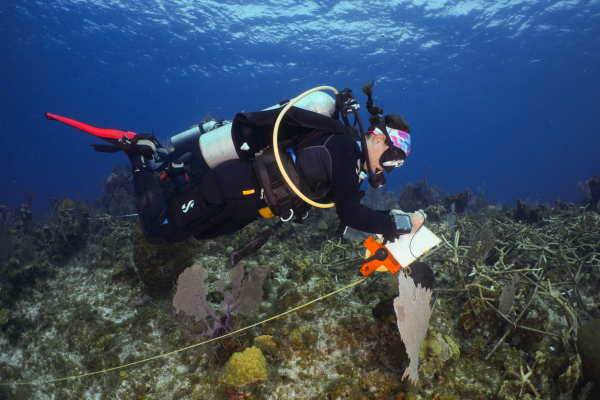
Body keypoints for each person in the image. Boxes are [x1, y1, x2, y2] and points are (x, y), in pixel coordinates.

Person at [47, 82, 425, 250]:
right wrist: (402, 223)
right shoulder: (344, 147)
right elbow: (352, 212)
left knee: (193, 228)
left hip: (248, 204)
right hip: (234, 187)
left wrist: (387, 223)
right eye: (391, 157)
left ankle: (168, 168)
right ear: (377, 138)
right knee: (159, 234)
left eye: (396, 164)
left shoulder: (350, 159)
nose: (389, 168)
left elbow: (345, 208)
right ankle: (138, 153)